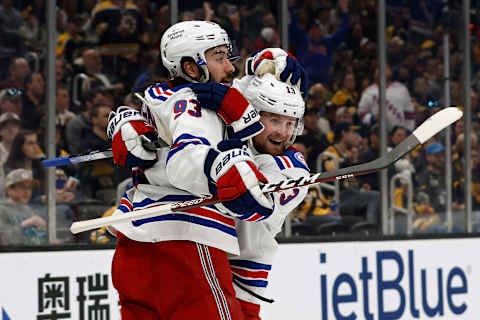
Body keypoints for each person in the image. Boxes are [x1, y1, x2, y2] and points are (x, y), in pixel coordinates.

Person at [106, 21, 307, 319]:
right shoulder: (211, 109)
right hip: (189, 247)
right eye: (274, 120)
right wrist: (124, 122)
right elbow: (187, 153)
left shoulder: (289, 166)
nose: (283, 132)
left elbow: (259, 199)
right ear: (191, 66)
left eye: (290, 123)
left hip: (159, 255)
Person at [0, 168, 47, 245]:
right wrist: (25, 224)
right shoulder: (2, 210)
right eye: (22, 187)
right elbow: (4, 240)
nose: (27, 191)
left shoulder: (27, 209)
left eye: (29, 188)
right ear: (9, 190)